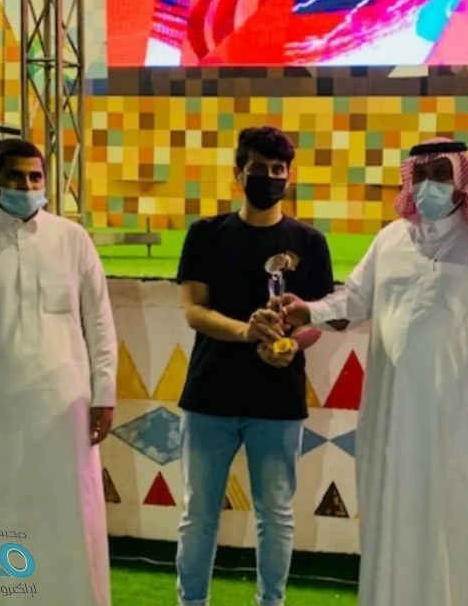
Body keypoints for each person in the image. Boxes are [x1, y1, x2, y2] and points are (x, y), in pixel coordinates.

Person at [282, 137, 468, 606]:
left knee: (462, 519)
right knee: (394, 513)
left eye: (441, 173)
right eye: (419, 175)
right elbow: (355, 300)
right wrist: (309, 311)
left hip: (463, 417)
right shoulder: (392, 239)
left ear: (462, 181)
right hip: (393, 416)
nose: (428, 184)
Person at [0, 139, 117, 606]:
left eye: (35, 177)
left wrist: (104, 395)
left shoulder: (72, 239)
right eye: (16, 177)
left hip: (65, 407)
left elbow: (99, 323)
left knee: (68, 509)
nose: (27, 185)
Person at [175, 126, 335, 606]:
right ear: (238, 174)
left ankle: (271, 602)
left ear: (289, 176)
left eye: (277, 169)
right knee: (199, 515)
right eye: (258, 169)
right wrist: (247, 332)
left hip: (277, 400)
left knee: (276, 516)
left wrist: (289, 345)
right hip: (209, 396)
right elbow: (194, 310)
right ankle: (191, 602)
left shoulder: (310, 242)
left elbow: (318, 321)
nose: (269, 177)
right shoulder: (206, 234)